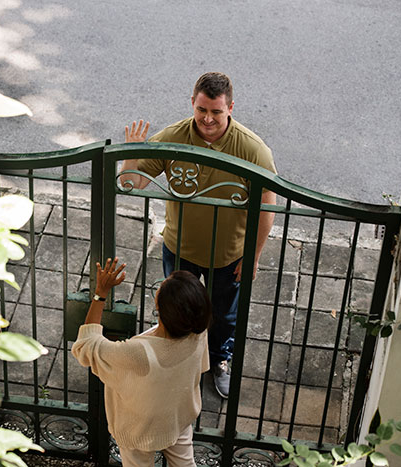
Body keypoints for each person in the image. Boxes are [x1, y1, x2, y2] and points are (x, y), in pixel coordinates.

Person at [120, 72, 277, 399]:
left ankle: (219, 360)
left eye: (216, 112)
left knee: (223, 315)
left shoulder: (251, 149)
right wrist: (132, 153)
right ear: (193, 103)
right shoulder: (174, 138)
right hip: (179, 250)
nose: (208, 118)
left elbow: (266, 206)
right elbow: (131, 184)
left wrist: (253, 254)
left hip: (227, 255)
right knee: (176, 312)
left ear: (230, 108)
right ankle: (175, 362)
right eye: (202, 109)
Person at [72, 258, 211, 467]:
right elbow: (201, 367)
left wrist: (101, 292)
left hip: (138, 428)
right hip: (177, 417)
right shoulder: (197, 331)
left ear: (158, 305)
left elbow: (85, 346)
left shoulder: (139, 353)